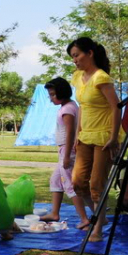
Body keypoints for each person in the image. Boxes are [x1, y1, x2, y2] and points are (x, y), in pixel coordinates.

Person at [68, 37, 124, 242]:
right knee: (77, 183)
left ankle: (98, 227)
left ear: (89, 53)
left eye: (77, 55)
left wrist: (114, 137)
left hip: (104, 136)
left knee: (96, 184)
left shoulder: (101, 78)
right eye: (72, 57)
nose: (75, 60)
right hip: (85, 136)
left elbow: (116, 107)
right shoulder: (78, 77)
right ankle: (101, 216)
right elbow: (82, 107)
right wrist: (77, 134)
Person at [40, 77, 90, 228]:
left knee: (70, 184)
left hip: (67, 150)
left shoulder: (67, 109)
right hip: (64, 150)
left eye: (53, 95)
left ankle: (84, 219)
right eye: (50, 95)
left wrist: (67, 156)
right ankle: (55, 213)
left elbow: (70, 134)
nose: (51, 99)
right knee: (55, 180)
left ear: (61, 92)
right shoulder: (70, 106)